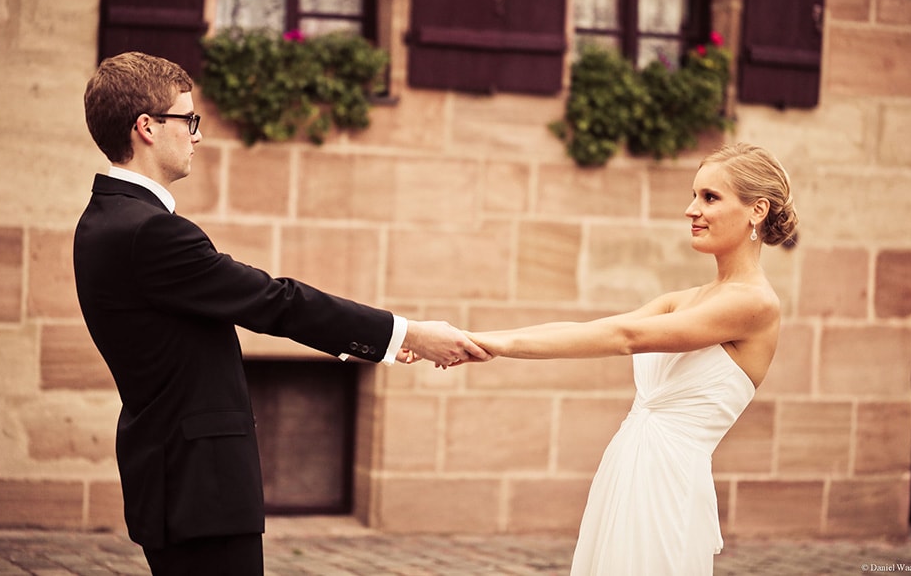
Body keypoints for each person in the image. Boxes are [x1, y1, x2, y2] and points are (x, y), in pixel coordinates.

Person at [73, 51, 490, 576]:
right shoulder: (149, 231)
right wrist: (405, 334)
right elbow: (275, 301)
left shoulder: (106, 219)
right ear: (147, 127)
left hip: (175, 476)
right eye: (189, 119)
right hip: (197, 483)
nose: (198, 135)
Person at [467, 143, 798, 575]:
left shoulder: (754, 304)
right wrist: (474, 339)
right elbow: (585, 329)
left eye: (710, 197)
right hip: (627, 467)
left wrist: (497, 346)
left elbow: (625, 338)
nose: (691, 209)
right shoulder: (685, 299)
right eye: (694, 194)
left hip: (667, 481)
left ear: (757, 210)